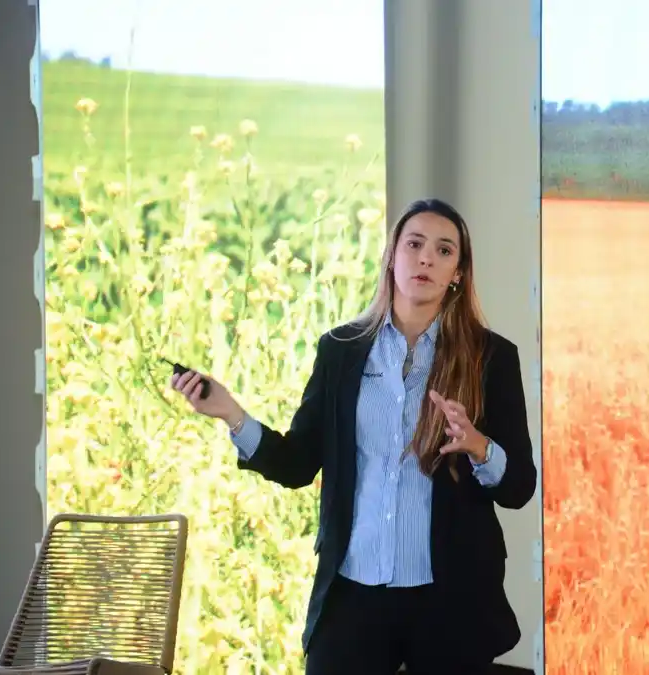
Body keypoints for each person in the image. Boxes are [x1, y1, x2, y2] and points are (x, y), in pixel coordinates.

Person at [171, 198, 537, 675]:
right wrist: (230, 414)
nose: (426, 257)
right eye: (414, 244)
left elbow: (519, 489)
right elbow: (298, 464)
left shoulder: (492, 358)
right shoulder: (341, 350)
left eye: (444, 250)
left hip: (451, 603)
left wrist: (478, 447)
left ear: (457, 274)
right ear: (392, 257)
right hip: (352, 596)